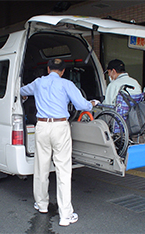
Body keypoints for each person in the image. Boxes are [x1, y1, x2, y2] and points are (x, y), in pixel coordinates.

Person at [20, 59, 99, 227]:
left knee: (41, 167)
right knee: (63, 169)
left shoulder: (38, 83)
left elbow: (21, 91)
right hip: (60, 126)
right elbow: (81, 105)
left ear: (48, 69)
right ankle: (65, 215)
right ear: (62, 71)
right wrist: (92, 103)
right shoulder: (67, 84)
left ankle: (41, 205)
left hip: (41, 126)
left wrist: (25, 94)